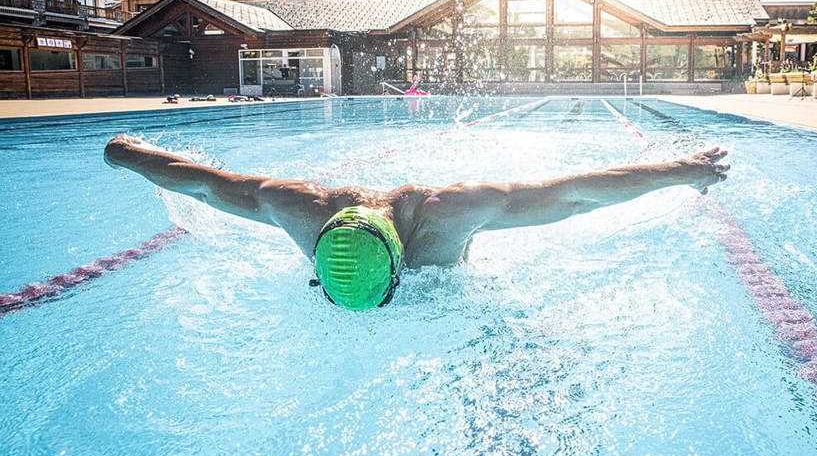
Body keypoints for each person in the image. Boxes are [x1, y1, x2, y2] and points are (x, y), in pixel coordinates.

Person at [104, 135, 729, 310]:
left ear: (405, 265)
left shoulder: (448, 217)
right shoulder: (295, 209)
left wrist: (678, 169)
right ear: (317, 256)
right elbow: (200, 183)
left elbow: (571, 196)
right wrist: (128, 155)